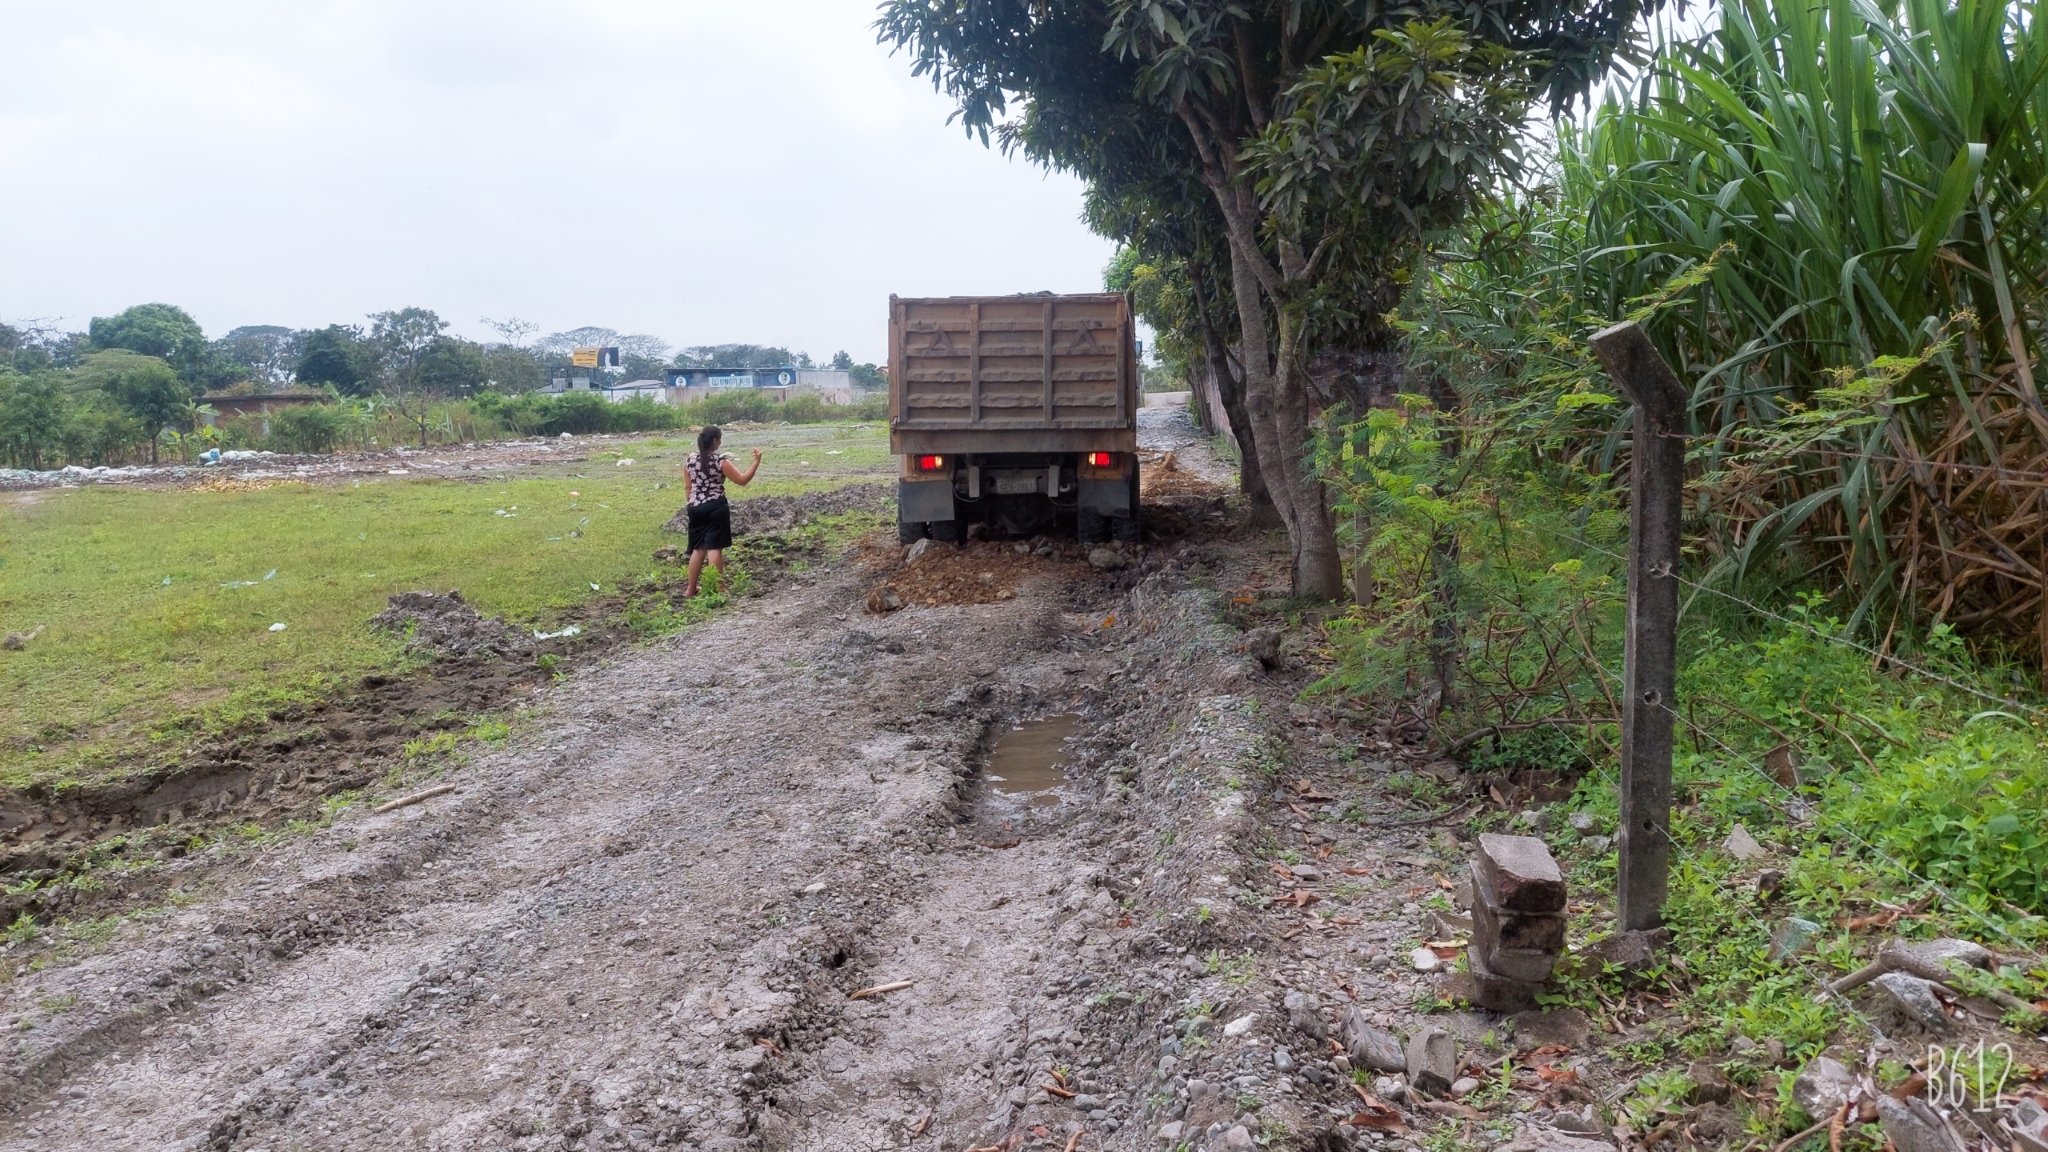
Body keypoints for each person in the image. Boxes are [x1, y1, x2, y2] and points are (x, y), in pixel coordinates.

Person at [681, 425, 761, 597]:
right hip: (715, 507)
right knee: (714, 548)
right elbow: (742, 480)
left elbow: (688, 487)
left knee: (698, 549)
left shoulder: (690, 460)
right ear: (715, 441)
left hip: (695, 507)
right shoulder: (720, 461)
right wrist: (756, 463)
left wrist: (693, 503)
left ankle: (690, 589)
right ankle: (719, 589)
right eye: (720, 439)